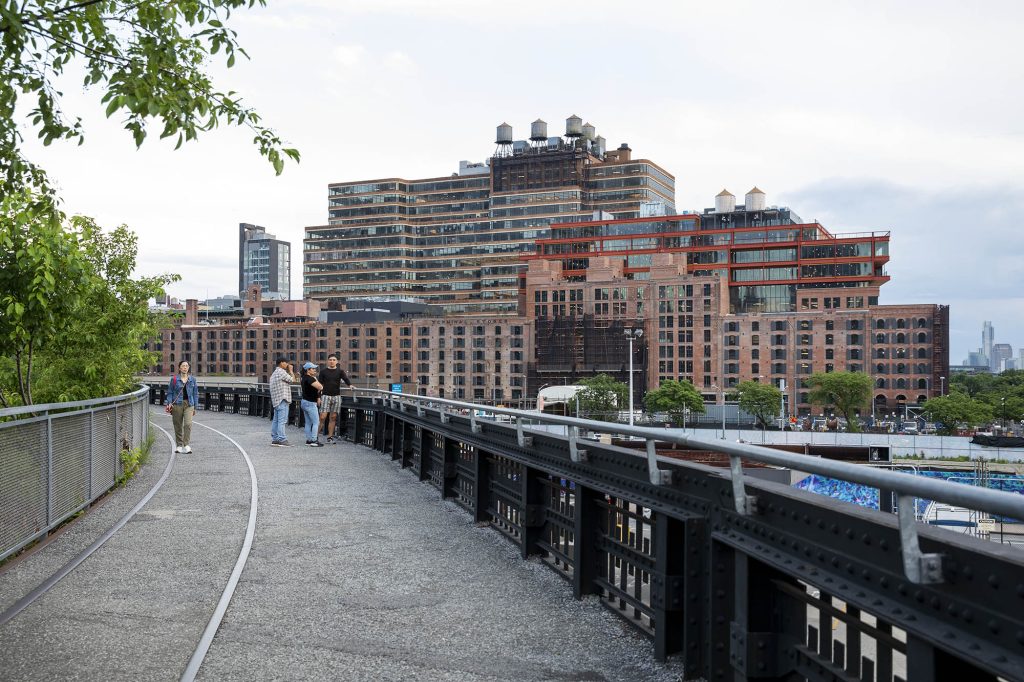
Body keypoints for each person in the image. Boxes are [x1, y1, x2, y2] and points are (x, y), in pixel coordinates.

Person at [317, 353, 352, 444]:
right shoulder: (323, 371)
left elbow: (345, 379)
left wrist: (350, 385)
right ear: (328, 361)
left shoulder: (340, 371)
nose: (332, 361)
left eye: (333, 360)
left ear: (336, 361)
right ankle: (314, 436)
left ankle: (330, 437)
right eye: (330, 360)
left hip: (336, 396)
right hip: (325, 396)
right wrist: (318, 397)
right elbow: (320, 385)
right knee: (322, 417)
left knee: (333, 417)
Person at [166, 360, 198, 454]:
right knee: (178, 425)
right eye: (183, 366)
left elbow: (195, 394)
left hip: (189, 404)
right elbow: (170, 392)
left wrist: (195, 406)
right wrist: (169, 403)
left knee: (188, 424)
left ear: (188, 368)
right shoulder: (174, 379)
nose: (185, 367)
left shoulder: (192, 380)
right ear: (179, 368)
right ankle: (179, 445)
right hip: (177, 405)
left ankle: (186, 445)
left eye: (186, 366)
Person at [269, 356, 298, 447]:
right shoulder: (281, 372)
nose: (287, 365)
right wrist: (291, 371)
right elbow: (293, 380)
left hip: (276, 400)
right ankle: (282, 439)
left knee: (276, 420)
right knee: (282, 421)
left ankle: (275, 439)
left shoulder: (274, 373)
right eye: (286, 363)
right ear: (281, 363)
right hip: (282, 399)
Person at [300, 361, 325, 447]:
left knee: (308, 423)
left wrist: (318, 396)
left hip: (304, 401)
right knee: (316, 422)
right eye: (313, 369)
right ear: (308, 370)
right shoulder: (310, 378)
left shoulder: (303, 378)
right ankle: (314, 440)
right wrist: (316, 380)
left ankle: (309, 440)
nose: (315, 370)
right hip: (310, 403)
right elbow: (320, 387)